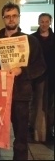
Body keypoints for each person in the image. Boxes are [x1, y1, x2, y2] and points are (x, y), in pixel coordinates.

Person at [0, 2, 46, 160]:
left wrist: (22, 71)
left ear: (19, 17)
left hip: (21, 95)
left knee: (21, 137)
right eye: (8, 16)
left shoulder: (30, 41)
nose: (11, 19)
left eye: (14, 16)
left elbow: (40, 66)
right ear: (3, 18)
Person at [30, 13, 54, 143]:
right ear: (38, 22)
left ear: (50, 22)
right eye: (42, 21)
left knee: (49, 104)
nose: (44, 24)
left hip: (51, 75)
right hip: (36, 76)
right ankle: (33, 129)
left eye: (46, 21)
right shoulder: (33, 38)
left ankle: (48, 130)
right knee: (35, 103)